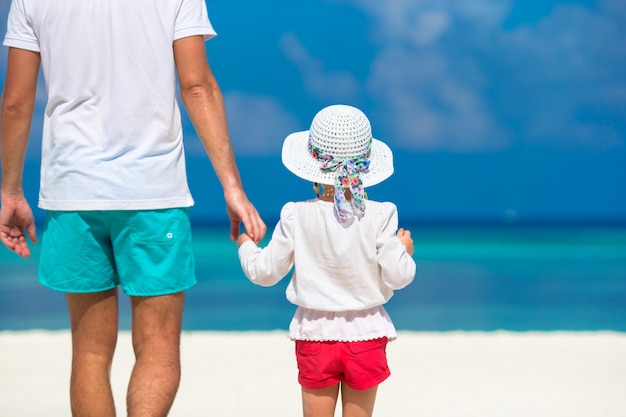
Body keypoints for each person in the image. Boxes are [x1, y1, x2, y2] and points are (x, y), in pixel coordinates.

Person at [0, 1, 266, 416]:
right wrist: (232, 187)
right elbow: (197, 85)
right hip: (154, 191)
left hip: (73, 191)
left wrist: (11, 191)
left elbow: (16, 101)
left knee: (88, 353)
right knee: (158, 345)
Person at [237, 104, 416, 417]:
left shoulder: (296, 214)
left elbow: (264, 273)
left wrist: (245, 245)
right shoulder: (381, 214)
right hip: (367, 333)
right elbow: (398, 277)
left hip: (315, 333)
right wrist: (404, 250)